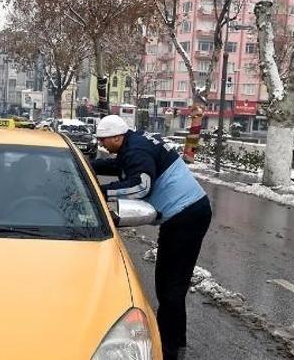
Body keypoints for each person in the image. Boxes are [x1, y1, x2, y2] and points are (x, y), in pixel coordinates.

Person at [90, 115, 212, 360]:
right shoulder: (134, 145)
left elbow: (140, 187)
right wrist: (90, 165)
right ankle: (173, 343)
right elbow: (121, 165)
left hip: (185, 216)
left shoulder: (136, 151)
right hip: (184, 214)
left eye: (104, 140)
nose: (103, 145)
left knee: (171, 290)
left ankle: (172, 350)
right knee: (167, 286)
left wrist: (99, 193)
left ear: (117, 137)